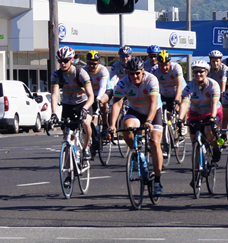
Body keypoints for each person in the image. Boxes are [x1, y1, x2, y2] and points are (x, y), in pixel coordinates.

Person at [108, 56, 164, 196]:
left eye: (137, 73)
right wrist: (112, 125)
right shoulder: (123, 82)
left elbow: (153, 103)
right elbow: (117, 104)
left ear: (142, 71)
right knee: (126, 128)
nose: (134, 76)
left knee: (154, 142)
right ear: (127, 72)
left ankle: (157, 180)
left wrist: (149, 121)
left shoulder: (151, 80)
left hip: (153, 111)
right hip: (136, 111)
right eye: (131, 73)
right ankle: (136, 153)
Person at [49, 47, 96, 150]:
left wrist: (85, 109)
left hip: (83, 103)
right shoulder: (56, 75)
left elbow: (91, 96)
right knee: (68, 135)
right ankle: (71, 157)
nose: (62, 64)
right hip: (68, 104)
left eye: (65, 61)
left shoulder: (81, 73)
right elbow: (54, 95)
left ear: (71, 60)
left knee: (86, 123)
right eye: (60, 61)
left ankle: (86, 148)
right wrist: (53, 113)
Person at [180, 59, 222, 165]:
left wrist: (212, 117)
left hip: (211, 112)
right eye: (195, 72)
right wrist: (180, 119)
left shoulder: (213, 85)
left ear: (206, 72)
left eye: (201, 71)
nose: (198, 74)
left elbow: (214, 103)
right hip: (195, 114)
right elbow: (185, 103)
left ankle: (216, 148)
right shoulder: (190, 86)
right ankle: (196, 176)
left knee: (208, 132)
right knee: (194, 142)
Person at [83, 51, 110, 156]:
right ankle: (94, 138)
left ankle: (104, 125)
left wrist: (98, 99)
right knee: (88, 116)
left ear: (98, 63)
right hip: (91, 94)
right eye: (89, 63)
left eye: (94, 64)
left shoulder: (103, 70)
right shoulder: (84, 70)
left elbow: (103, 87)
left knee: (102, 103)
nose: (91, 66)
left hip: (104, 91)